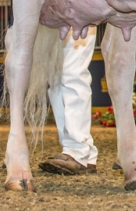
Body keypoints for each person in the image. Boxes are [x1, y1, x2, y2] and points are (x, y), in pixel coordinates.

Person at [39, 28, 99, 175]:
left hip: (80, 17)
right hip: (54, 21)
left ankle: (77, 150)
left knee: (73, 73)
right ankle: (83, 153)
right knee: (55, 78)